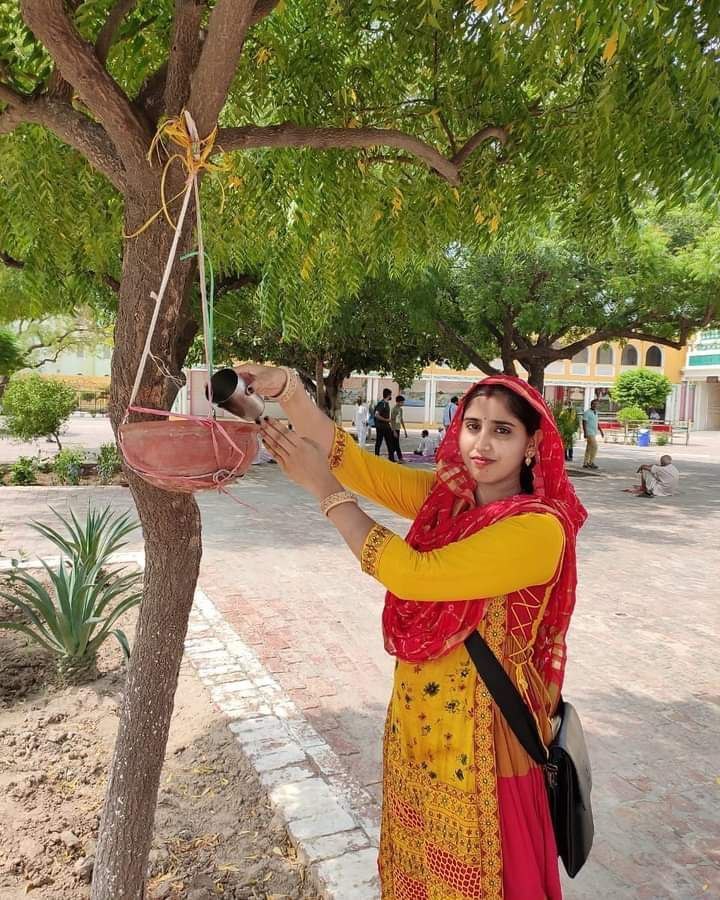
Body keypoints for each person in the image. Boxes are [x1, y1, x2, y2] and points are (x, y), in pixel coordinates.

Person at [240, 363, 587, 900]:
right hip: (420, 726)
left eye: (502, 431)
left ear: (532, 444)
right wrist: (290, 393)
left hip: (489, 737)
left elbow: (414, 577)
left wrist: (326, 495)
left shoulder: (537, 531)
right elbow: (357, 464)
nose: (483, 444)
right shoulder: (451, 501)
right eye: (473, 425)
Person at [582, 399, 604, 469]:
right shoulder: (587, 412)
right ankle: (591, 462)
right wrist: (585, 432)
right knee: (595, 447)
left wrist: (601, 431)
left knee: (588, 448)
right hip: (589, 432)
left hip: (594, 432)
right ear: (591, 404)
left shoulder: (596, 412)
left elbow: (597, 423)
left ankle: (585, 463)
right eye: (594, 404)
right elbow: (584, 422)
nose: (595, 405)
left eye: (597, 404)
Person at [373, 389, 395, 459]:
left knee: (389, 442)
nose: (391, 396)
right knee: (380, 442)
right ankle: (376, 457)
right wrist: (386, 420)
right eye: (390, 395)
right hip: (381, 427)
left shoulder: (386, 403)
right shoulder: (382, 404)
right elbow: (376, 415)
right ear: (388, 395)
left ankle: (391, 458)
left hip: (386, 426)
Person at [390, 395, 408, 463]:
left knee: (395, 445)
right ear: (398, 402)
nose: (403, 404)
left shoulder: (400, 409)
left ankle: (391, 456)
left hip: (398, 428)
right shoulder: (394, 409)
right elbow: (392, 420)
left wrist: (405, 430)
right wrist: (394, 431)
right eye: (402, 402)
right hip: (394, 429)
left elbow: (401, 419)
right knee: (396, 444)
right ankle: (400, 458)